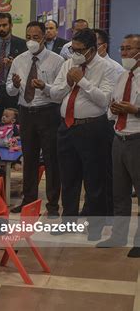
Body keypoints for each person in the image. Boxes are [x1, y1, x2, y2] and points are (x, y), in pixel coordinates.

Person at [50, 28, 117, 240]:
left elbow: (104, 100)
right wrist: (69, 82)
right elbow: (54, 94)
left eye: (79, 50)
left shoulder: (107, 68)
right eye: (73, 49)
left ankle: (95, 228)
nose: (75, 54)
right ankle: (68, 222)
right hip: (66, 126)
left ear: (92, 50)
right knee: (68, 178)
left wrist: (82, 81)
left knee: (94, 179)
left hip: (92, 128)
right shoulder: (69, 63)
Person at [6, 21, 64, 216]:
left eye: (36, 37)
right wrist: (14, 85)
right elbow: (9, 89)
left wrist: (44, 87)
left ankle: (53, 205)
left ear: (44, 38)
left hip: (48, 113)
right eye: (28, 37)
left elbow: (60, 93)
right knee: (28, 159)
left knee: (51, 160)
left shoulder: (56, 61)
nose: (31, 41)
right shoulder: (19, 60)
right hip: (26, 112)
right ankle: (28, 201)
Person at [97, 34, 140, 258]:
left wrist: (135, 110)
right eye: (122, 49)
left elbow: (134, 109)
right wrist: (113, 110)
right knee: (119, 192)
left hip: (137, 138)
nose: (124, 53)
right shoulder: (122, 76)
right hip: (119, 137)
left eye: (128, 49)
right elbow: (111, 105)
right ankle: (118, 234)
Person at [93, 28, 124, 218]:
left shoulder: (115, 68)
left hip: (107, 123)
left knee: (108, 170)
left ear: (103, 47)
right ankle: (95, 208)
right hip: (90, 124)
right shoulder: (86, 66)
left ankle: (109, 210)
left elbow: (111, 100)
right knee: (94, 170)